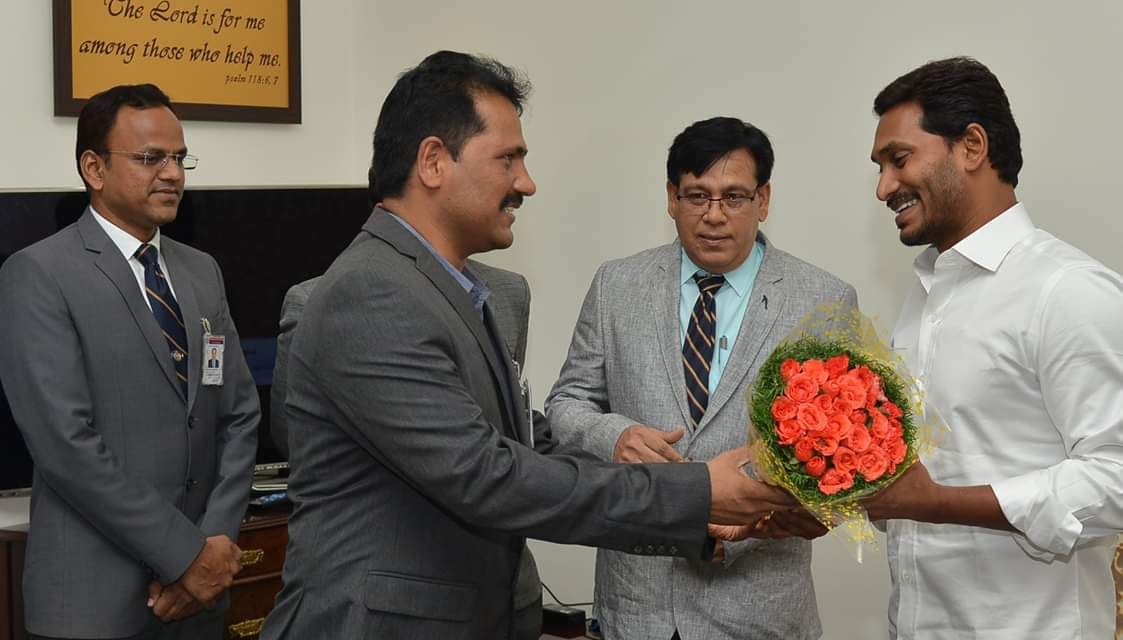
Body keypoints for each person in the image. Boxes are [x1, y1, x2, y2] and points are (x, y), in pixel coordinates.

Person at [259, 51, 794, 640]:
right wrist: (697, 491)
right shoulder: (372, 292)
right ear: (434, 161)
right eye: (508, 158)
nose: (526, 183)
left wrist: (695, 511)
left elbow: (520, 439)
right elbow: (487, 476)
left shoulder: (461, 287)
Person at [545, 117, 857, 640]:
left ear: (763, 199)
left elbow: (837, 452)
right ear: (671, 197)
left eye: (734, 197)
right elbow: (568, 402)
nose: (714, 216)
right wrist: (614, 436)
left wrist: (768, 504)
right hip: (636, 609)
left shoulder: (824, 300)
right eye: (697, 196)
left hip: (760, 610)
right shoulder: (615, 285)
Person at [863, 57, 1123, 639]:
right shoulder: (922, 300)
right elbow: (924, 481)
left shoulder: (1068, 290)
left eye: (898, 159)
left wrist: (940, 503)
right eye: (879, 167)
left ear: (972, 145)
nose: (883, 188)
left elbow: (1118, 476)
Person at [0, 84, 260, 639]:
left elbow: (239, 415)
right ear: (93, 167)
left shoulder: (200, 271)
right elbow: (65, 446)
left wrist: (214, 546)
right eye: (150, 158)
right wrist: (186, 555)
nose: (172, 173)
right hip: (95, 606)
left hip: (200, 599)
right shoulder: (39, 275)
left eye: (178, 157)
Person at [268, 260, 547, 639]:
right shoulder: (318, 299)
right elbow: (292, 438)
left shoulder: (509, 291)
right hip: (399, 604)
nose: (525, 195)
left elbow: (510, 420)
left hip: (511, 593)